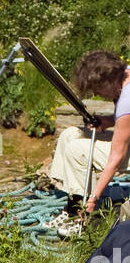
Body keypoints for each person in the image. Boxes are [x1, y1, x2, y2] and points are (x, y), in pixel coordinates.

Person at [48, 50, 130, 217]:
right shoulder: (125, 74)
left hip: (125, 152)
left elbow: (116, 157)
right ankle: (74, 196)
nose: (95, 94)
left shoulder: (127, 99)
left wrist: (95, 196)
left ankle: (84, 210)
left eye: (96, 89)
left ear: (107, 81)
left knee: (77, 149)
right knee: (70, 135)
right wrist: (107, 121)